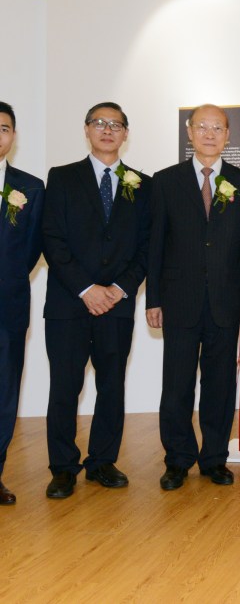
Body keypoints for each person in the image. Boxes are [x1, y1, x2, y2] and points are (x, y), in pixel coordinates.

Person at [146, 104, 240, 491]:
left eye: (218, 128)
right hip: (179, 300)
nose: (210, 134)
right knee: (176, 385)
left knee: (220, 385)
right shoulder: (165, 181)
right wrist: (153, 299)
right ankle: (177, 459)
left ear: (228, 135)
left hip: (227, 302)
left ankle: (214, 458)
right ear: (189, 131)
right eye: (203, 127)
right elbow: (155, 245)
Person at [41, 102, 150, 499]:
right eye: (99, 123)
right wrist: (87, 289)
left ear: (126, 134)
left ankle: (102, 461)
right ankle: (62, 467)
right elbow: (52, 239)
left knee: (111, 386)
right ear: (86, 130)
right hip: (69, 304)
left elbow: (147, 247)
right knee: (64, 387)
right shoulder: (62, 177)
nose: (107, 130)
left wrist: (119, 289)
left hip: (117, 306)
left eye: (115, 125)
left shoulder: (143, 185)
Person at [0, 102, 44, 505]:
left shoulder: (29, 187)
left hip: (8, 306)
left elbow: (31, 250)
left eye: (4, 128)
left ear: (13, 136)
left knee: (4, 392)